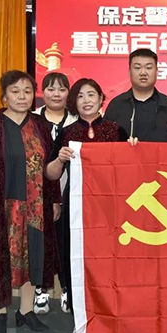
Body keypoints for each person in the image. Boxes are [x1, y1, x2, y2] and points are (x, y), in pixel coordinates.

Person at [0, 70, 61, 333]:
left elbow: (50, 164)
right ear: (4, 96)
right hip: (4, 207)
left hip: (36, 207)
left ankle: (26, 310)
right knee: (1, 258)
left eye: (27, 91)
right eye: (15, 91)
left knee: (32, 256)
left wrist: (54, 200)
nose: (22, 96)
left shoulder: (40, 125)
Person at [45, 79, 123, 317]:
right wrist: (60, 159)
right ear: (73, 102)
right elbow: (50, 173)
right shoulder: (67, 133)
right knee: (75, 252)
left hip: (109, 206)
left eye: (91, 95)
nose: (86, 100)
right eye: (80, 96)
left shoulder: (116, 130)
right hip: (76, 205)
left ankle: (108, 305)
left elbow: (130, 167)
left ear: (100, 99)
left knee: (107, 254)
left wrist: (132, 147)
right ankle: (77, 305)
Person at [32, 72, 77, 315]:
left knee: (66, 241)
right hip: (36, 194)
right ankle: (41, 289)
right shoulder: (32, 120)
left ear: (68, 93)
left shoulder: (76, 120)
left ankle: (67, 288)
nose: (56, 94)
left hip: (69, 192)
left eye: (61, 89)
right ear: (43, 92)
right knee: (40, 242)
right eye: (50, 89)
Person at [103, 48, 167, 140]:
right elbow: (105, 141)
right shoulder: (116, 105)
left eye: (148, 68)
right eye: (137, 68)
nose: (143, 73)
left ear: (156, 71)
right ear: (129, 71)